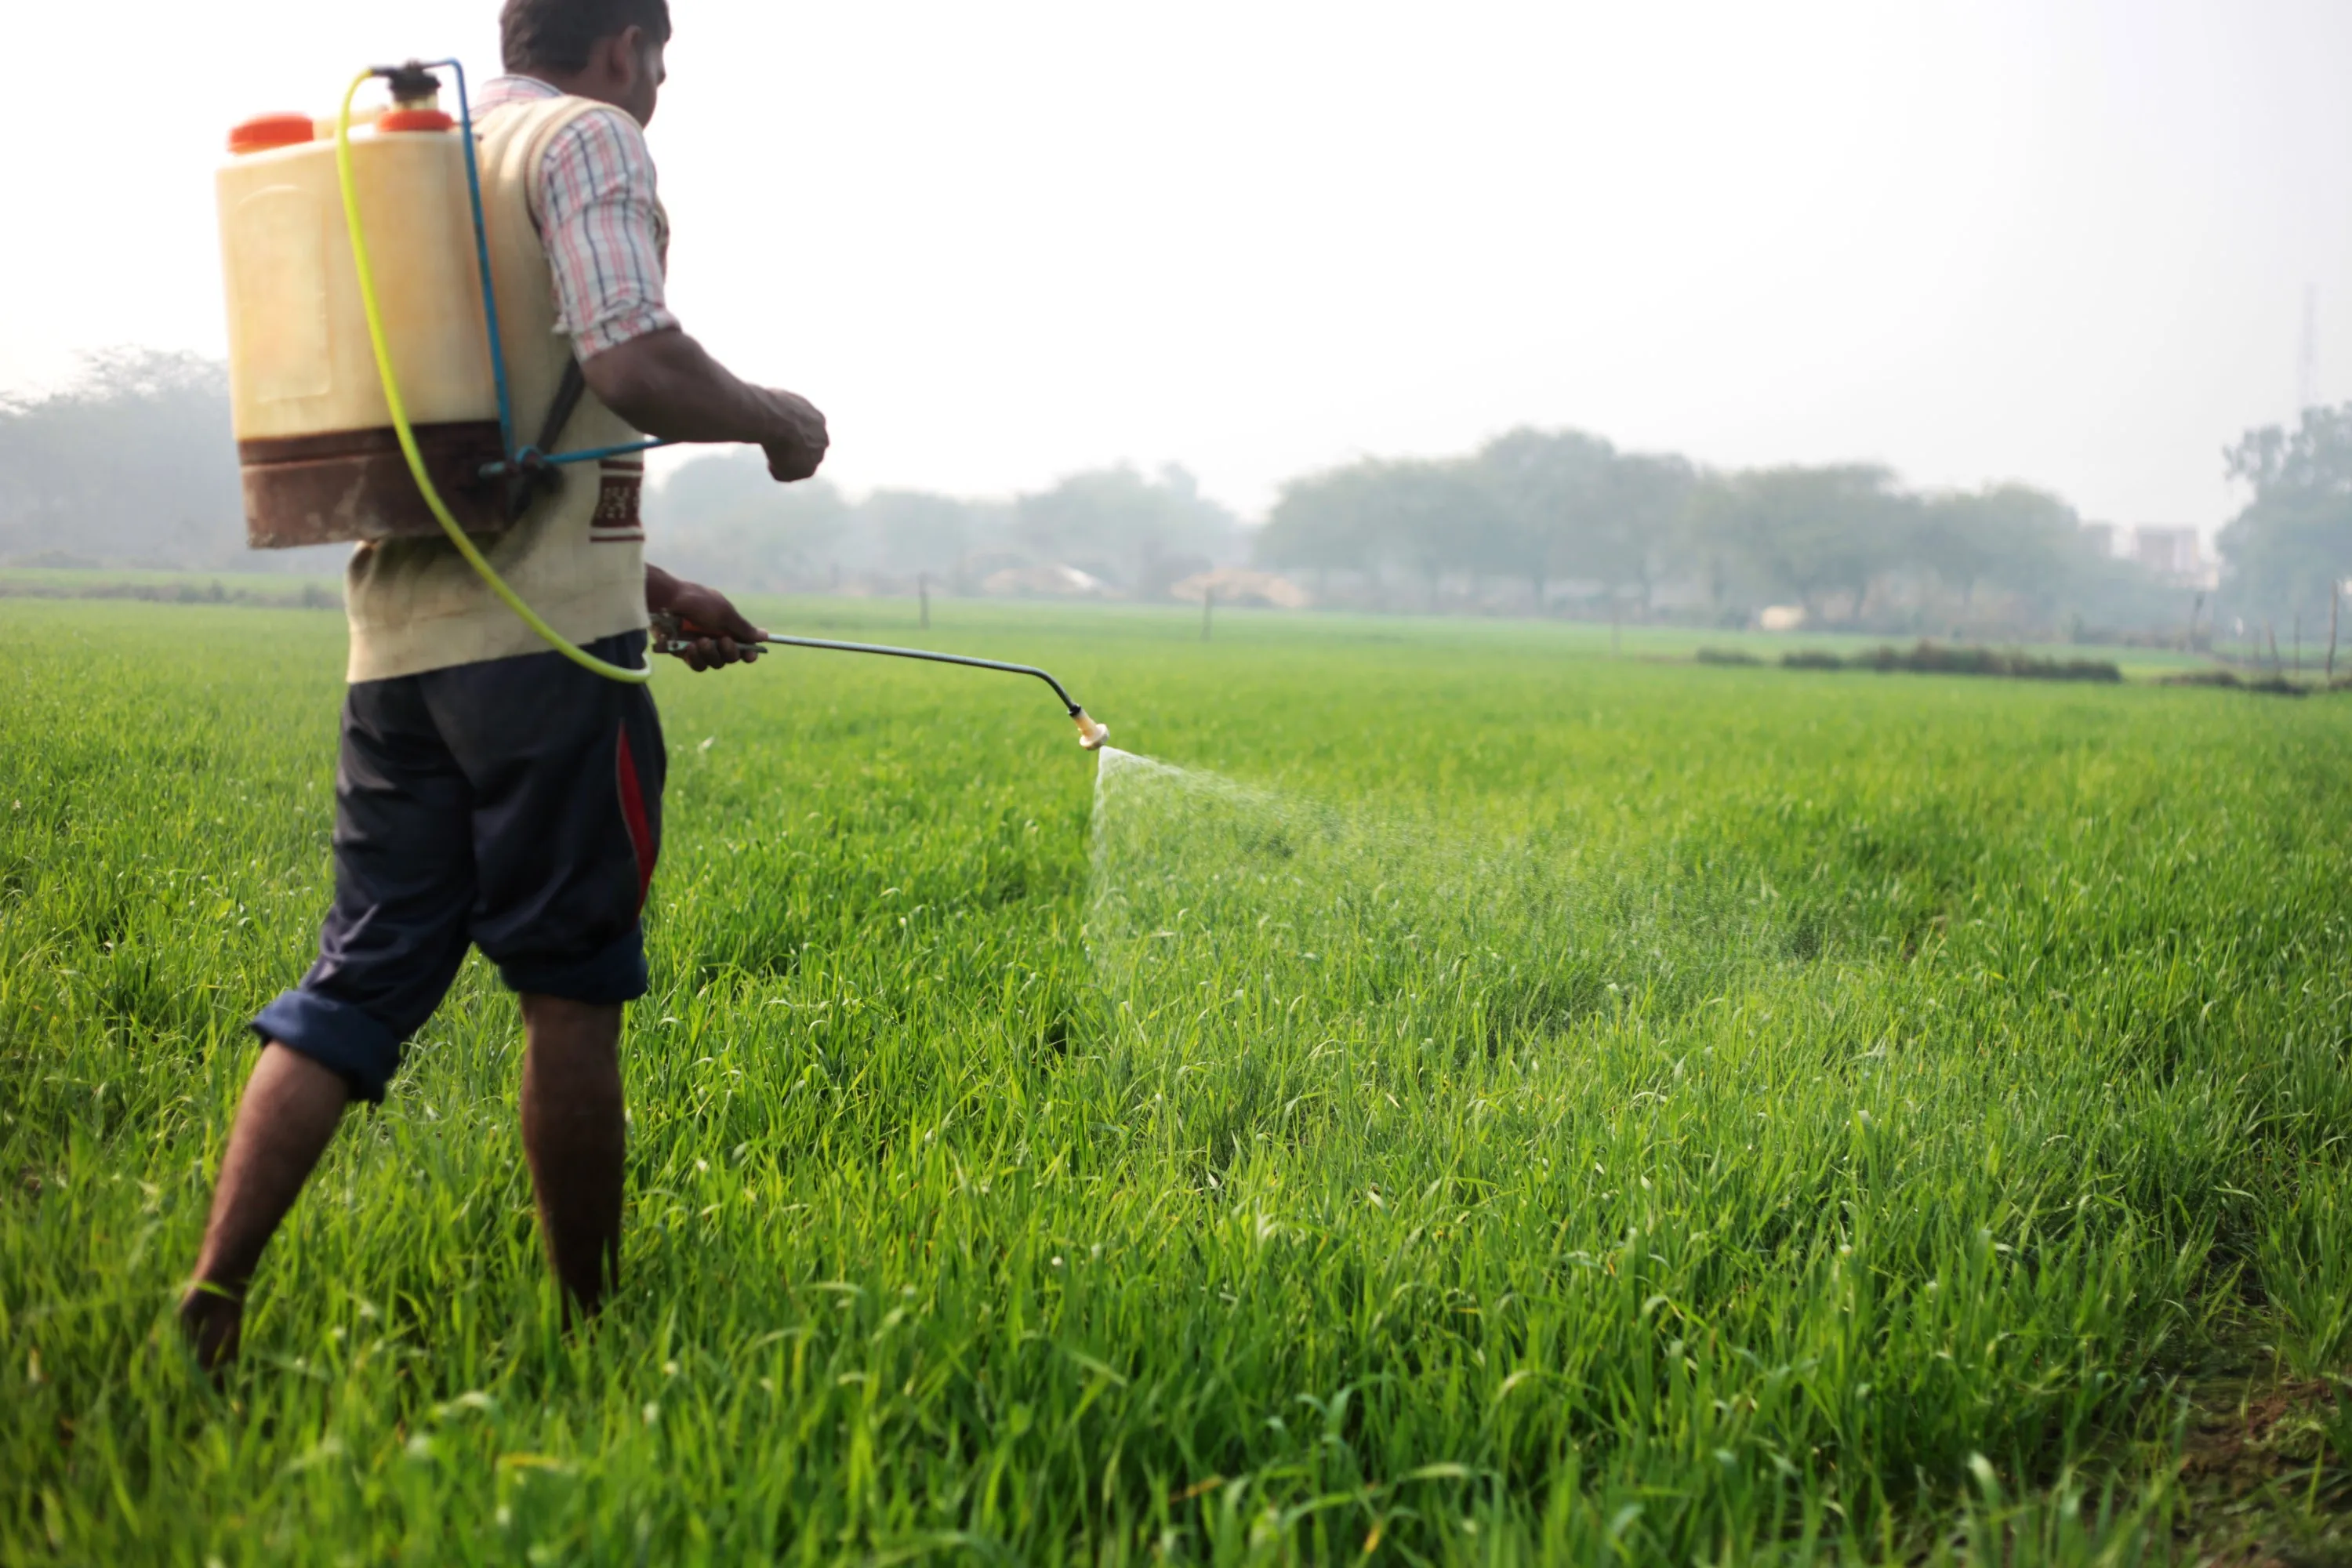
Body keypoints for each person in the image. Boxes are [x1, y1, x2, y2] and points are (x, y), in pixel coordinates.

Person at [178, 0, 826, 1368]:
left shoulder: (414, 167)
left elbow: (487, 442)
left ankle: (218, 1291)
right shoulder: (589, 139)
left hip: (396, 667)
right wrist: (777, 418)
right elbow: (628, 357)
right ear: (628, 48)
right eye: (659, 61)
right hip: (547, 677)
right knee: (574, 995)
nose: (656, 86)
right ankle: (590, 1335)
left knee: (352, 988)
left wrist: (658, 587)